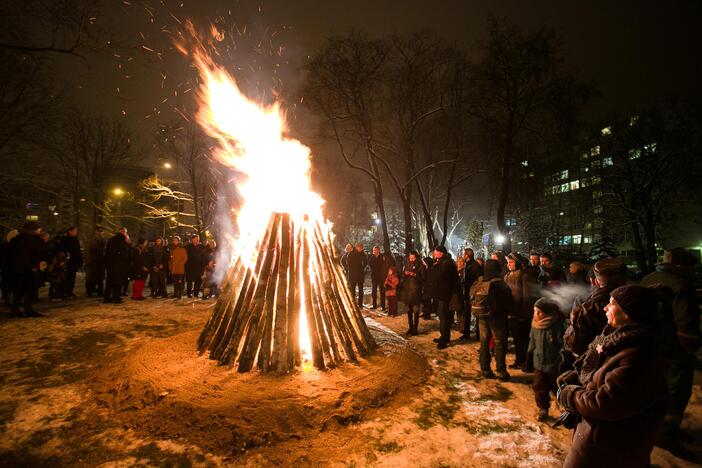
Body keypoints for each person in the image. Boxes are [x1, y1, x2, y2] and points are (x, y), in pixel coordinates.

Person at [556, 285, 668, 467]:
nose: (605, 308)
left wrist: (572, 396)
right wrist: (578, 378)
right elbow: (604, 375)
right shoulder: (615, 339)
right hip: (600, 440)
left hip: (612, 449)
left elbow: (606, 403)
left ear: (628, 313)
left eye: (611, 303)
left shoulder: (637, 357)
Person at [641, 248, 700, 449]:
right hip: (674, 349)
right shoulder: (682, 285)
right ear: (681, 266)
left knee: (653, 389)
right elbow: (686, 324)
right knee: (676, 391)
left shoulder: (648, 278)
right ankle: (666, 436)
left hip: (649, 345)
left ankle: (654, 429)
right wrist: (691, 346)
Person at [562, 257, 627, 370]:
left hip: (595, 365)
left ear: (596, 281)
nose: (607, 308)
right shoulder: (639, 299)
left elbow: (576, 343)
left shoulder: (590, 306)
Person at [470, 259, 513, 380]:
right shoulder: (500, 283)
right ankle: (501, 371)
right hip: (497, 317)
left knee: (484, 342)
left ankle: (485, 369)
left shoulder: (480, 282)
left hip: (482, 316)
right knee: (499, 343)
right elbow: (508, 301)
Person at [528, 298, 566, 421]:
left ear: (548, 313)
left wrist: (561, 358)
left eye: (539, 312)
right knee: (539, 386)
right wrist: (529, 355)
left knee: (556, 386)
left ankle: (566, 408)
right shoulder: (534, 325)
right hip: (539, 362)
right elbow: (532, 341)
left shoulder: (556, 325)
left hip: (553, 363)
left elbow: (562, 344)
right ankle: (543, 409)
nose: (536, 315)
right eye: (534, 311)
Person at [7, 222, 46, 317]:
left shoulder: (17, 238)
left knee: (19, 291)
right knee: (28, 290)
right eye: (38, 229)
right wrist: (33, 266)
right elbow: (33, 254)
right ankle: (27, 310)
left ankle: (15, 310)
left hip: (18, 269)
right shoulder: (31, 239)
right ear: (33, 230)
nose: (39, 230)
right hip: (28, 269)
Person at [428, 245, 459, 349]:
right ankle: (443, 336)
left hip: (446, 295)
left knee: (444, 316)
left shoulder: (447, 263)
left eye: (436, 252)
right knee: (442, 316)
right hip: (442, 294)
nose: (434, 253)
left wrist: (434, 267)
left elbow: (440, 276)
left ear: (441, 253)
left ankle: (445, 339)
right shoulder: (442, 262)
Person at [504, 253, 532, 369]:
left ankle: (526, 362)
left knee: (524, 339)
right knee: (517, 339)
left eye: (511, 262)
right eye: (508, 262)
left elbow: (527, 297)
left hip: (521, 314)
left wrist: (524, 314)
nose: (509, 265)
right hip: (512, 313)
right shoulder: (507, 276)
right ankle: (519, 360)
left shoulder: (524, 276)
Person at [401, 250, 425, 336]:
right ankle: (410, 327)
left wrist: (414, 274)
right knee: (409, 310)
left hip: (416, 291)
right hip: (408, 290)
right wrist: (405, 273)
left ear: (416, 257)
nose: (411, 259)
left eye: (413, 258)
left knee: (416, 310)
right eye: (410, 258)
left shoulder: (420, 265)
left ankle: (415, 328)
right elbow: (402, 276)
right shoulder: (407, 264)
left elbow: (423, 278)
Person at [460, 248, 483, 340]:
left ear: (467, 255)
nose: (462, 256)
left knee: (475, 313)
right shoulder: (468, 264)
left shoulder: (474, 266)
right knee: (467, 312)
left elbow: (478, 280)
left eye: (463, 254)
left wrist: (474, 290)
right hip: (467, 292)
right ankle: (466, 332)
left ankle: (478, 334)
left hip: (473, 292)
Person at [103, 228, 131, 304]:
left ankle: (107, 297)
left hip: (110, 265)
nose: (126, 234)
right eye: (125, 232)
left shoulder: (111, 239)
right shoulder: (122, 240)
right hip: (119, 265)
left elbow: (107, 252)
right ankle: (116, 297)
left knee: (110, 281)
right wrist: (128, 244)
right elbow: (124, 253)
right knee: (118, 281)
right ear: (123, 232)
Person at [84, 226, 106, 297]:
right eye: (98, 231)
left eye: (101, 231)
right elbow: (87, 251)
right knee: (91, 278)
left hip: (101, 262)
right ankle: (89, 292)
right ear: (96, 232)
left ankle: (100, 292)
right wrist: (88, 260)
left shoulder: (105, 241)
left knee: (100, 278)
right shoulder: (90, 240)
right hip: (93, 262)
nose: (100, 232)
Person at [62, 226, 82, 298]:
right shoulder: (66, 240)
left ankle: (70, 291)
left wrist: (79, 261)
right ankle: (65, 291)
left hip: (74, 262)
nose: (76, 232)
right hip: (68, 262)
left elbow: (78, 252)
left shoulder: (75, 239)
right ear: (70, 231)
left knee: (72, 278)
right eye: (75, 231)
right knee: (67, 278)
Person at [346, 243, 367, 307]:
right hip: (353, 275)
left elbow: (365, 261)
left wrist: (362, 267)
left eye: (361, 248)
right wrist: (351, 270)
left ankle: (360, 304)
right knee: (353, 290)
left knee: (361, 289)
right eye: (360, 248)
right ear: (357, 247)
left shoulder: (362, 254)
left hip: (360, 274)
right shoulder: (351, 254)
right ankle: (353, 303)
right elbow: (348, 264)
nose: (361, 249)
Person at [369, 246, 386, 310]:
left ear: (378, 250)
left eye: (375, 250)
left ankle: (383, 306)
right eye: (373, 250)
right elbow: (370, 264)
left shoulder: (382, 257)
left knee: (382, 292)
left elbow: (383, 265)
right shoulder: (372, 257)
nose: (374, 251)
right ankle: (374, 305)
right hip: (374, 277)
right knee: (374, 292)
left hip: (381, 277)